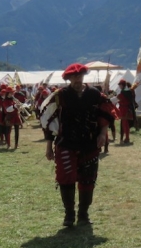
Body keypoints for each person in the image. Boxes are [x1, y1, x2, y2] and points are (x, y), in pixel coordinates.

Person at [43, 63, 118, 227]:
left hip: (89, 144)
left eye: (79, 76)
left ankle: (83, 214)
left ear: (83, 76)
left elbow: (105, 113)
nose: (77, 79)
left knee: (88, 179)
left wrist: (102, 133)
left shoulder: (95, 94)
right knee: (66, 178)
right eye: (73, 77)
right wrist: (48, 146)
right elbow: (49, 121)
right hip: (66, 144)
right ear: (68, 78)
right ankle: (69, 215)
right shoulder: (60, 96)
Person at [117, 79, 137, 144]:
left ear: (122, 85)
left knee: (125, 125)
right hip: (125, 109)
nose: (119, 86)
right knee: (125, 125)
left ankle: (127, 138)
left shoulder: (124, 92)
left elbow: (119, 98)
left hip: (125, 109)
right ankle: (126, 138)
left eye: (120, 84)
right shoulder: (128, 92)